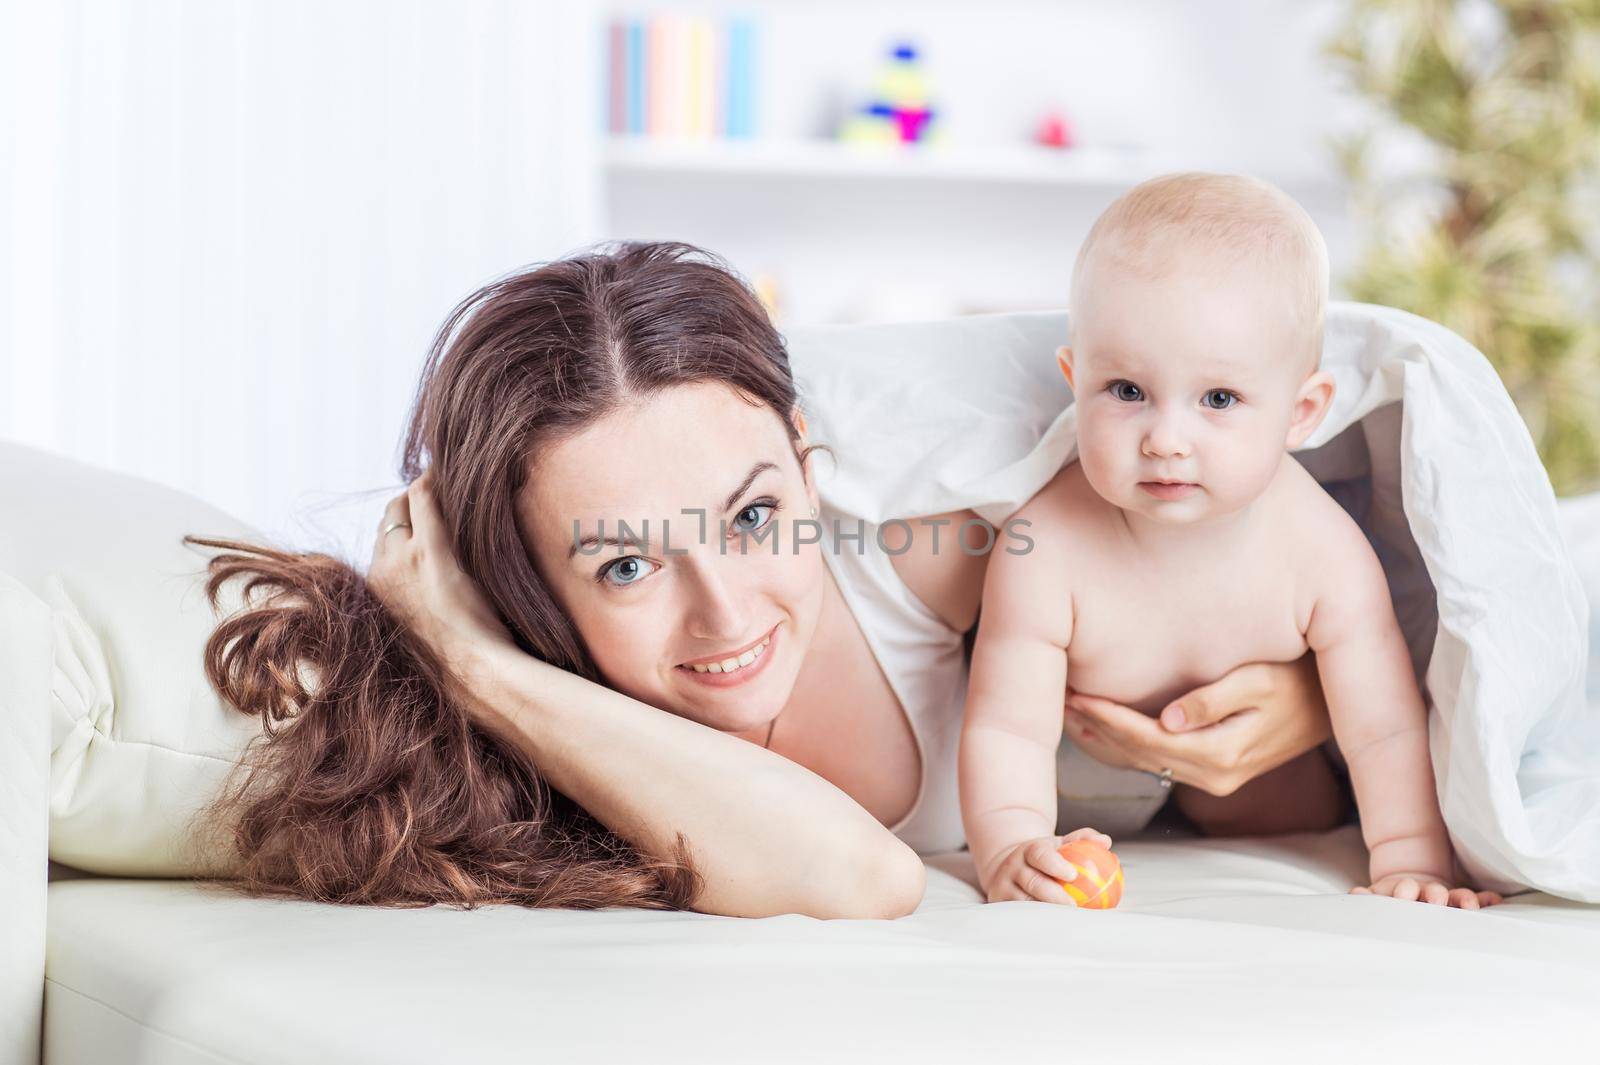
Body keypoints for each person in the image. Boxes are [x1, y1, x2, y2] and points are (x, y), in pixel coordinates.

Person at [188, 240, 1337, 920]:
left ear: (803, 456)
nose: (727, 615)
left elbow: (1257, 511)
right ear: (522, 588)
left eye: (752, 516)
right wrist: (474, 664)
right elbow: (858, 879)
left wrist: (1307, 703)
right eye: (627, 564)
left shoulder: (939, 557)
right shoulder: (534, 708)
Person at [960, 172, 1505, 910]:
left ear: (1300, 412)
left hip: (1256, 772)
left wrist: (1411, 859)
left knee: (1290, 807)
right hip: (1074, 771)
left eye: (1218, 399)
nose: (1166, 440)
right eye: (1126, 390)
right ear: (1074, 378)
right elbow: (1006, 729)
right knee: (1031, 795)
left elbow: (1382, 729)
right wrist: (1011, 845)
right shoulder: (1046, 542)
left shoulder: (1322, 553)